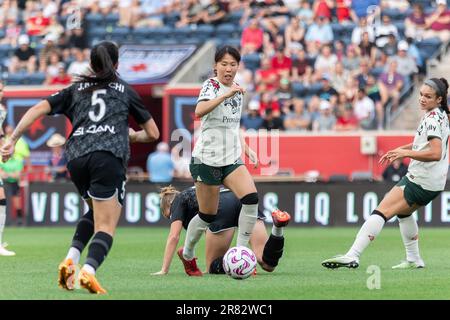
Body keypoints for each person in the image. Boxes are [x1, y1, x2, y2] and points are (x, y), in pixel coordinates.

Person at [0, 41, 160, 293]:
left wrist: (12, 139)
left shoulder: (75, 89)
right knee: (106, 225)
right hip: (107, 155)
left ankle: (70, 260)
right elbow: (152, 133)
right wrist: (130, 135)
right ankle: (89, 271)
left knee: (94, 212)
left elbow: (37, 109)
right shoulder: (125, 90)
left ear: (92, 65)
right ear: (116, 64)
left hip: (75, 158)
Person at [322, 77, 449, 270]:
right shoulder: (440, 114)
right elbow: (424, 144)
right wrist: (402, 148)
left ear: (439, 99)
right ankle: (414, 259)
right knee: (404, 214)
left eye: (428, 96)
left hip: (421, 180)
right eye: (421, 94)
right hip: (433, 181)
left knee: (381, 211)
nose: (422, 99)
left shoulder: (432, 119)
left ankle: (352, 255)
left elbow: (435, 152)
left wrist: (405, 153)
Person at [177, 46, 259, 277]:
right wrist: (224, 95)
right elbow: (199, 111)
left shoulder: (237, 89)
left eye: (233, 64)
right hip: (207, 159)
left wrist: (246, 148)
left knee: (251, 199)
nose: (228, 68)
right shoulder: (211, 86)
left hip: (231, 157)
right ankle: (188, 254)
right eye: (224, 64)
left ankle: (241, 253)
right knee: (208, 215)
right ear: (216, 66)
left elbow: (231, 126)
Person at [153, 186, 291, 275]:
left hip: (222, 205)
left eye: (169, 216)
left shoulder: (177, 200)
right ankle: (277, 227)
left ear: (168, 206)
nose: (172, 218)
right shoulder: (194, 191)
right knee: (267, 263)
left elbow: (174, 237)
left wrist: (164, 269)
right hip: (241, 199)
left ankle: (244, 263)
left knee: (212, 268)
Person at [0, 82, 15, 256]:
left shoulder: (1, 110)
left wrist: (4, 148)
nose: (2, 93)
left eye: (3, 90)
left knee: (1, 198)